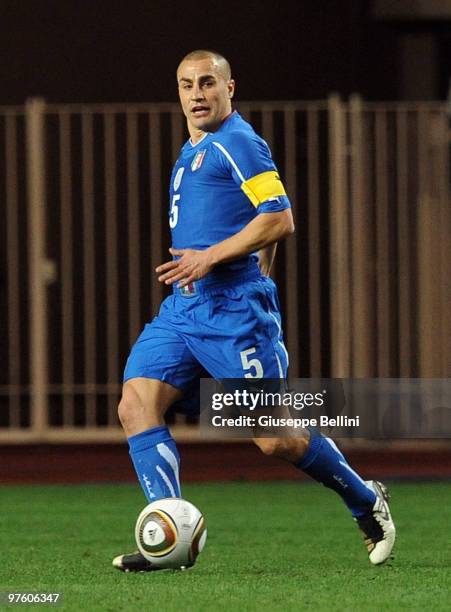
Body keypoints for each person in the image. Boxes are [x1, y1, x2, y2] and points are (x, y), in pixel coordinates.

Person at [113, 50, 395, 571]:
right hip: (184, 309)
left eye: (206, 84)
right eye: (185, 85)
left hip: (234, 314)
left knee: (275, 439)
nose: (196, 94)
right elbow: (255, 220)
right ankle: (170, 530)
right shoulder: (193, 148)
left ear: (229, 88)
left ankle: (365, 499)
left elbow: (280, 217)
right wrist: (250, 265)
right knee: (135, 404)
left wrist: (219, 262)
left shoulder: (238, 142)